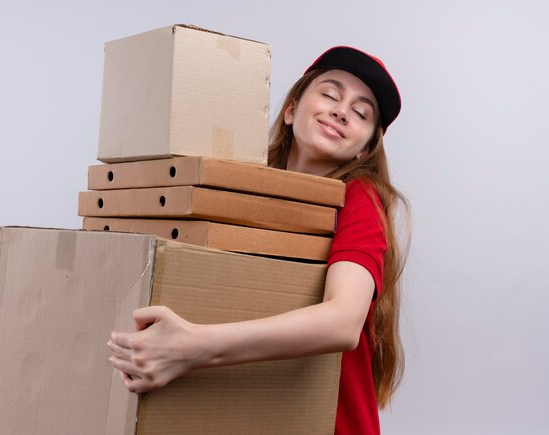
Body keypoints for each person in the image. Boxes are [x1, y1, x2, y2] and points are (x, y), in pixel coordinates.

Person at [107, 46, 409, 435]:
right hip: (249, 411)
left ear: (366, 147)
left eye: (361, 112)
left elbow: (343, 322)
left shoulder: (360, 198)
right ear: (291, 110)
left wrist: (192, 347)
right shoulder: (241, 188)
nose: (341, 110)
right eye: (331, 95)